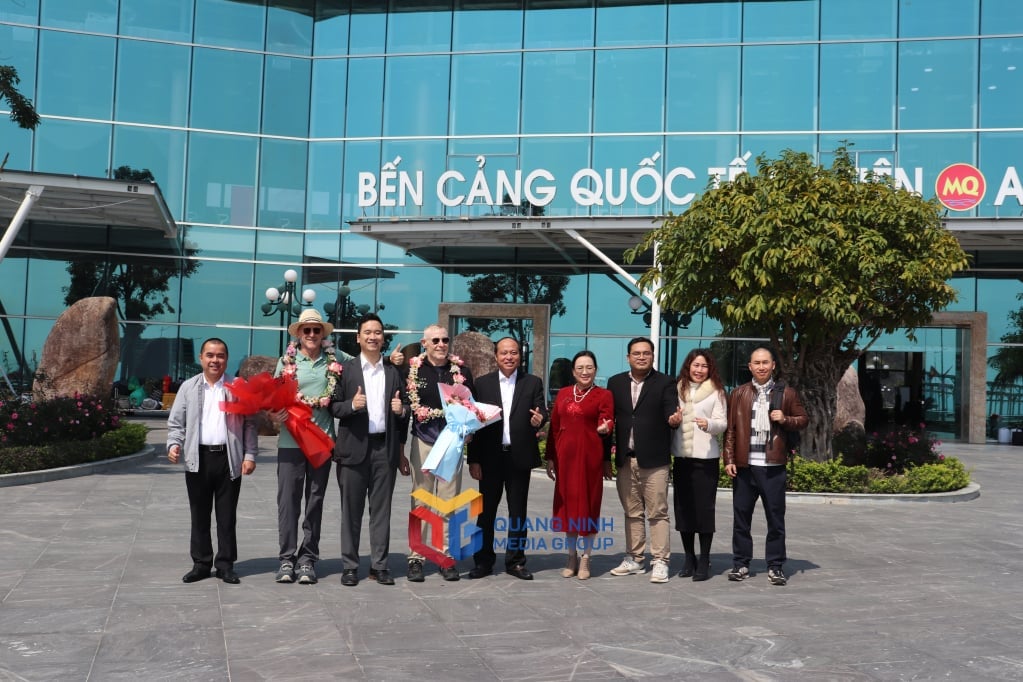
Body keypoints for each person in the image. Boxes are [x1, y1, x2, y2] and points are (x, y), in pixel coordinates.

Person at [167, 338, 257, 585]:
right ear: (201, 358)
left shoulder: (238, 386)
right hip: (198, 459)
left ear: (226, 359)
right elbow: (176, 423)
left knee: (227, 516)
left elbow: (250, 423)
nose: (214, 360)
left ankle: (226, 564)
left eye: (220, 356)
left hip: (229, 459)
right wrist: (174, 445)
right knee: (200, 514)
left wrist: (249, 455)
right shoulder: (188, 387)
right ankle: (201, 563)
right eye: (210, 355)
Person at [331, 313, 412, 586]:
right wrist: (352, 406)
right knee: (351, 512)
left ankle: (379, 566)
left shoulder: (392, 372)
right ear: (358, 337)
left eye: (378, 332)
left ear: (383, 337)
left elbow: (407, 410)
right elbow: (333, 406)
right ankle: (350, 566)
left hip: (383, 450)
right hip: (353, 450)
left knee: (381, 512)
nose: (373, 337)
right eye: (367, 332)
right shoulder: (346, 369)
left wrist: (402, 411)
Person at [268, 308, 344, 585]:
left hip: (321, 441)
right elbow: (274, 399)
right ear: (298, 334)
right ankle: (287, 558)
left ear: (323, 334)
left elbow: (363, 367)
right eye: (306, 330)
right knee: (288, 502)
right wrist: (273, 415)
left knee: (315, 501)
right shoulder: (286, 361)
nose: (312, 334)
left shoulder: (336, 360)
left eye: (316, 330)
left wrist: (392, 361)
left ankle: (308, 559)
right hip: (290, 442)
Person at [723, 347, 807, 586]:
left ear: (773, 366)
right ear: (749, 366)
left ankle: (776, 566)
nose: (761, 367)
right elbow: (731, 430)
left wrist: (785, 419)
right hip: (745, 466)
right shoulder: (738, 394)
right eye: (756, 363)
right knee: (741, 519)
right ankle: (740, 564)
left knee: (775, 519)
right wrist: (729, 459)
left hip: (773, 466)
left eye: (765, 363)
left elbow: (803, 419)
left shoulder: (786, 393)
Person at [467, 337, 548, 581]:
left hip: (518, 456)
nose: (509, 357)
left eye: (513, 353)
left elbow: (540, 410)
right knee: (486, 513)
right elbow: (474, 424)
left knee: (518, 511)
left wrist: (540, 419)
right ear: (496, 356)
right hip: (490, 457)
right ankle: (483, 561)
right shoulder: (481, 384)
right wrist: (474, 460)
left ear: (520, 356)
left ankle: (515, 561)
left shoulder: (532, 382)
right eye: (504, 353)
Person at [402, 323, 475, 582]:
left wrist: (469, 429)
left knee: (448, 503)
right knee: (420, 501)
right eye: (435, 341)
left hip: (451, 444)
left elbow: (471, 407)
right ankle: (416, 557)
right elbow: (403, 408)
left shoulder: (461, 371)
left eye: (445, 340)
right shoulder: (412, 370)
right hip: (423, 441)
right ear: (424, 344)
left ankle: (445, 556)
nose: (441, 345)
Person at [607, 337, 681, 584]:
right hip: (626, 460)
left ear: (652, 356)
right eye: (636, 353)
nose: (641, 357)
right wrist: (607, 457)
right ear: (628, 357)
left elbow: (671, 409)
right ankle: (635, 559)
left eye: (646, 353)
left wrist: (674, 419)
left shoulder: (665, 382)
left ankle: (661, 561)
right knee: (632, 512)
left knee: (658, 512)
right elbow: (609, 421)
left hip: (655, 460)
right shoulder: (615, 383)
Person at [545, 350, 613, 580]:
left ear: (595, 370)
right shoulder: (563, 394)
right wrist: (550, 456)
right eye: (580, 368)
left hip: (589, 460)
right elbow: (554, 427)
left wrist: (605, 427)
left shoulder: (604, 395)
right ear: (573, 371)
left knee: (588, 505)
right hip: (565, 459)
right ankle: (571, 555)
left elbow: (607, 418)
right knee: (567, 507)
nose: (585, 372)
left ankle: (586, 557)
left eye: (589, 367)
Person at [671, 348, 728, 582]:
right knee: (683, 510)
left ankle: (704, 559)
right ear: (688, 366)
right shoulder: (676, 389)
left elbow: (722, 423)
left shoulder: (716, 392)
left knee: (704, 511)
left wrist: (709, 425)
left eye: (704, 366)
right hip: (682, 458)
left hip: (706, 460)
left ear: (710, 368)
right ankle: (688, 558)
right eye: (696, 365)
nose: (699, 370)